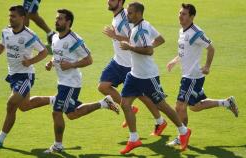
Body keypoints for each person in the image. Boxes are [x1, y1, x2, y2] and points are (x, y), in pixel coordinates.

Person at [11, 9, 119, 153]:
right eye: (56, 18)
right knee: (72, 114)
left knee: (56, 112)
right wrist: (51, 62)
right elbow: (57, 55)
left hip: (71, 83)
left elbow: (89, 60)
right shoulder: (55, 38)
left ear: (68, 22)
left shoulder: (74, 39)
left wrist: (72, 65)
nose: (56, 21)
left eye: (60, 19)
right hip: (62, 82)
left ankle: (58, 145)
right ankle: (104, 103)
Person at [119, 2, 191, 154]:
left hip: (147, 76)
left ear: (138, 13)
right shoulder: (142, 25)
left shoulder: (142, 29)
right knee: (125, 104)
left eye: (130, 13)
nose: (127, 16)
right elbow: (160, 39)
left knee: (161, 105)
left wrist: (129, 47)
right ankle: (134, 139)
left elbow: (149, 51)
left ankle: (184, 131)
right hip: (135, 74)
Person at [166, 3, 239, 146]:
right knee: (194, 106)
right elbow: (183, 52)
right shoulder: (182, 31)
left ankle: (182, 136)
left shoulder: (196, 32)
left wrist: (207, 66)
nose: (180, 16)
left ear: (192, 17)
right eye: (180, 13)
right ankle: (226, 102)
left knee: (179, 107)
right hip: (187, 75)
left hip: (192, 77)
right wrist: (174, 61)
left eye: (184, 14)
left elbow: (211, 48)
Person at [99, 0, 167, 136]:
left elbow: (133, 39)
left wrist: (115, 36)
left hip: (130, 64)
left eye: (112, 0)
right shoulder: (118, 16)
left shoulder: (126, 17)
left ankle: (160, 121)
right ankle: (131, 108)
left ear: (120, 2)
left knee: (144, 96)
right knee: (103, 86)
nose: (108, 1)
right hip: (118, 61)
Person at [0, 5, 48, 148]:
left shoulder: (29, 35)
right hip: (12, 75)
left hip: (25, 76)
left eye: (13, 16)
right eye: (10, 16)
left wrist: (30, 61)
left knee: (11, 104)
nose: (10, 18)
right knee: (25, 106)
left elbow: (44, 52)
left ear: (22, 18)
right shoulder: (6, 31)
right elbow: (2, 44)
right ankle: (54, 99)